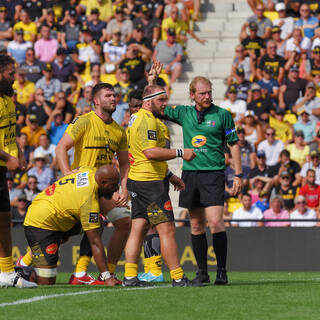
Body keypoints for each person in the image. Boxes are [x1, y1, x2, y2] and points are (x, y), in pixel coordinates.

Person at [161, 74, 243, 285]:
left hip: (214, 174)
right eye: (202, 93)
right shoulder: (183, 113)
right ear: (192, 95)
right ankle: (202, 272)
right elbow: (157, 106)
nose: (207, 96)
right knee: (196, 224)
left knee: (216, 222)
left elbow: (233, 143)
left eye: (209, 92)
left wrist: (239, 174)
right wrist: (153, 80)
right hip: (190, 174)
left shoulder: (223, 115)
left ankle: (222, 271)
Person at [55, 83, 131, 285]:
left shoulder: (119, 131)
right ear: (96, 101)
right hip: (81, 186)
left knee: (124, 223)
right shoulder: (84, 121)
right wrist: (66, 176)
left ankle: (105, 272)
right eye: (108, 95)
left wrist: (125, 189)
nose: (113, 98)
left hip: (104, 189)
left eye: (114, 95)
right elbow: (61, 148)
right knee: (62, 234)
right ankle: (25, 261)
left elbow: (124, 164)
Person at [124, 84, 198, 287]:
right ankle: (178, 277)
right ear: (148, 102)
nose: (165, 104)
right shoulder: (148, 121)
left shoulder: (135, 118)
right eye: (161, 101)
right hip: (150, 184)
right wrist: (182, 152)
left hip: (137, 180)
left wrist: (170, 175)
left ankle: (130, 276)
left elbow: (143, 154)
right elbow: (151, 153)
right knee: (167, 230)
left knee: (138, 228)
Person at [23, 165, 120, 286]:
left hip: (57, 216)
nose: (116, 189)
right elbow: (95, 242)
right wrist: (107, 277)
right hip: (40, 223)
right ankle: (19, 270)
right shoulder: (88, 200)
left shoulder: (90, 171)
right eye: (114, 185)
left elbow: (79, 169)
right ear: (103, 182)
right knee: (47, 281)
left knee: (98, 223)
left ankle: (79, 274)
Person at [0, 55, 36, 288]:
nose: (14, 79)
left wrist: (20, 153)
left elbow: (10, 133)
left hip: (3, 168)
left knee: (3, 219)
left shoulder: (8, 99)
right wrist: (7, 158)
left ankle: (4, 272)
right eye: (10, 74)